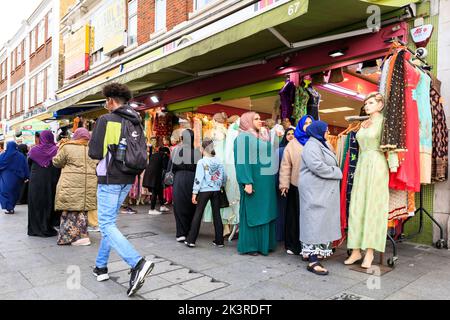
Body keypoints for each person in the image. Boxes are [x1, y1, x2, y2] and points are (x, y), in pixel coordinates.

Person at [88, 83, 154, 297]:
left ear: (111, 101)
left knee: (105, 223)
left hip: (110, 178)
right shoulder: (136, 121)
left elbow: (95, 152)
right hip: (128, 178)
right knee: (110, 223)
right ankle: (101, 266)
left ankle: (137, 263)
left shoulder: (106, 120)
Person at [345, 92, 389, 269]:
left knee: (373, 207)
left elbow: (391, 147)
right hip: (362, 164)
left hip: (377, 165)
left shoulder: (385, 123)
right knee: (356, 206)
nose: (367, 105)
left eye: (371, 102)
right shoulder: (363, 124)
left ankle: (370, 251)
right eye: (366, 103)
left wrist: (393, 166)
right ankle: (355, 250)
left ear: (380, 105)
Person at [299, 121, 342, 276]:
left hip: (320, 189)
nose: (328, 132)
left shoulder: (321, 144)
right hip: (314, 190)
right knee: (313, 222)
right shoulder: (312, 146)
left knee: (319, 221)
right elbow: (316, 166)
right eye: (326, 130)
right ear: (318, 131)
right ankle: (312, 260)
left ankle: (314, 255)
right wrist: (337, 172)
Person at [234, 112, 277, 256]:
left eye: (260, 118)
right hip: (254, 183)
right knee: (253, 212)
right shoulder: (243, 137)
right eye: (256, 119)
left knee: (265, 211)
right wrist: (247, 182)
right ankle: (251, 245)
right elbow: (242, 161)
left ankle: (265, 244)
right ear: (247, 121)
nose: (260, 121)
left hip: (266, 184)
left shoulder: (259, 136)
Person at [53, 128, 98, 246]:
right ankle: (82, 236)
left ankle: (72, 238)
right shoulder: (93, 149)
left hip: (70, 184)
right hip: (88, 184)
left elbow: (56, 162)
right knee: (82, 211)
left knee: (69, 211)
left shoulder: (67, 147)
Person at [279, 115, 313, 256]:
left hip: (313, 186)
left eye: (311, 123)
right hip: (296, 185)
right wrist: (284, 184)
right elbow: (286, 165)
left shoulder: (316, 141)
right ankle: (294, 245)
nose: (308, 125)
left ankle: (309, 246)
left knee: (310, 217)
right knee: (294, 216)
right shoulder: (293, 143)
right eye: (306, 123)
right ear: (300, 125)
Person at [186, 138, 226, 248]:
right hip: (216, 190)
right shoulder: (218, 160)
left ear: (203, 149)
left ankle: (191, 240)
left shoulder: (202, 162)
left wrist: (194, 193)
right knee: (217, 214)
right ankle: (219, 240)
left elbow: (198, 178)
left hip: (204, 190)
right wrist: (220, 185)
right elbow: (224, 176)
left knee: (198, 213)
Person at [27, 130, 61, 237]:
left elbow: (29, 163)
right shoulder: (56, 149)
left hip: (36, 181)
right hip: (51, 180)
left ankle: (34, 228)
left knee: (36, 203)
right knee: (49, 202)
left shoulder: (34, 150)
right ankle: (47, 226)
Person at [170, 129, 201, 242]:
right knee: (191, 205)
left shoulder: (176, 151)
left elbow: (171, 167)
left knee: (179, 205)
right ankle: (189, 230)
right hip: (193, 179)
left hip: (179, 178)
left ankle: (181, 233)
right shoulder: (197, 152)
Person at [0, 141, 29, 214]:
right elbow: (25, 166)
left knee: (4, 192)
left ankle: (9, 207)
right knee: (14, 193)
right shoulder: (21, 156)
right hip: (17, 178)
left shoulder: (3, 155)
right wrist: (26, 176)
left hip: (5, 177)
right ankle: (11, 207)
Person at [143, 145, 170, 215]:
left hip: (149, 173)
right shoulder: (164, 155)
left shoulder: (154, 155)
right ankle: (152, 209)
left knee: (159, 189)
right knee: (155, 191)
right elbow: (165, 167)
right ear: (166, 152)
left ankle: (162, 206)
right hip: (155, 175)